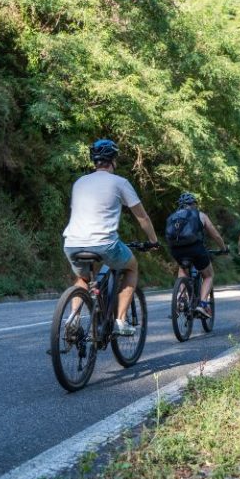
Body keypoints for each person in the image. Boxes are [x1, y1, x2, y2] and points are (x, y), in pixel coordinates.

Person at [62, 139, 159, 335]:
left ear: (94, 160)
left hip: (72, 243)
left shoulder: (79, 182)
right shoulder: (120, 182)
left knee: (82, 278)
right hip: (105, 244)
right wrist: (153, 241)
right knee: (131, 267)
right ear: (113, 160)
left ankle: (73, 317)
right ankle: (121, 320)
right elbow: (143, 217)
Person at [166, 192, 228, 319]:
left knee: (182, 270)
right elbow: (215, 235)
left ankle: (181, 300)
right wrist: (223, 248)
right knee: (209, 275)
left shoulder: (173, 217)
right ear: (194, 204)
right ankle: (203, 304)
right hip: (195, 249)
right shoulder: (200, 215)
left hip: (176, 250)